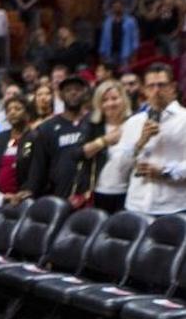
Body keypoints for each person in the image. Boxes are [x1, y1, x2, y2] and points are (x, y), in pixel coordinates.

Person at [117, 63, 186, 214]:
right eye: (151, 86)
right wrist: (140, 142)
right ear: (144, 90)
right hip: (136, 204)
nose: (156, 90)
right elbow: (120, 167)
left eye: (162, 85)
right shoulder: (134, 122)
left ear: (173, 87)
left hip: (173, 207)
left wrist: (164, 171)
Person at [27, 76, 93, 205]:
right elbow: (38, 166)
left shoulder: (95, 123)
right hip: (59, 195)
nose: (73, 92)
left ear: (85, 94)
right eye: (68, 90)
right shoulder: (47, 128)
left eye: (77, 89)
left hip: (90, 196)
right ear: (61, 96)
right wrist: (30, 190)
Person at [81, 79, 132, 214]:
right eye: (104, 100)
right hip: (98, 192)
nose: (110, 103)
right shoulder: (93, 124)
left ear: (123, 99)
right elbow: (80, 152)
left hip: (128, 193)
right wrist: (105, 140)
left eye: (114, 98)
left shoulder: (134, 123)